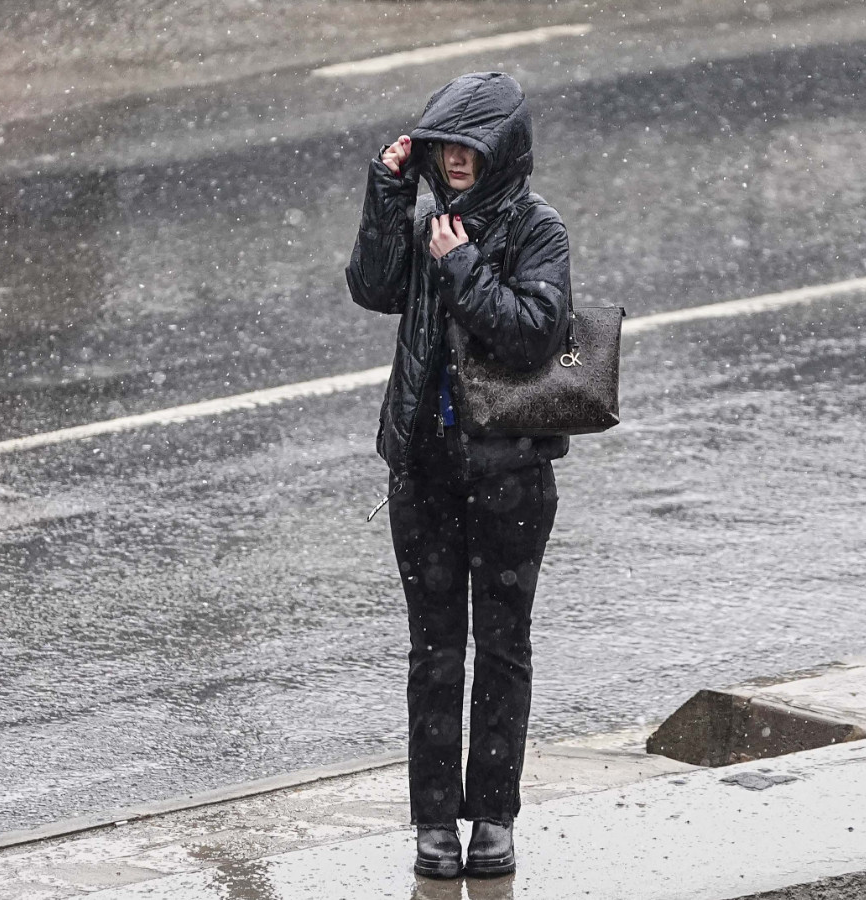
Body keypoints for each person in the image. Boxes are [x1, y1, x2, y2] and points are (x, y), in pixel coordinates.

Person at [345, 72, 572, 880]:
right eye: (444, 144)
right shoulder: (423, 219)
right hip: (426, 471)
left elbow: (532, 338)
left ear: (500, 147)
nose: (456, 158)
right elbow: (369, 286)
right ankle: (435, 823)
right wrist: (386, 188)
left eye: (469, 144)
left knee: (502, 648)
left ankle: (496, 819)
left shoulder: (536, 228)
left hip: (510, 476)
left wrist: (466, 266)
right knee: (433, 652)